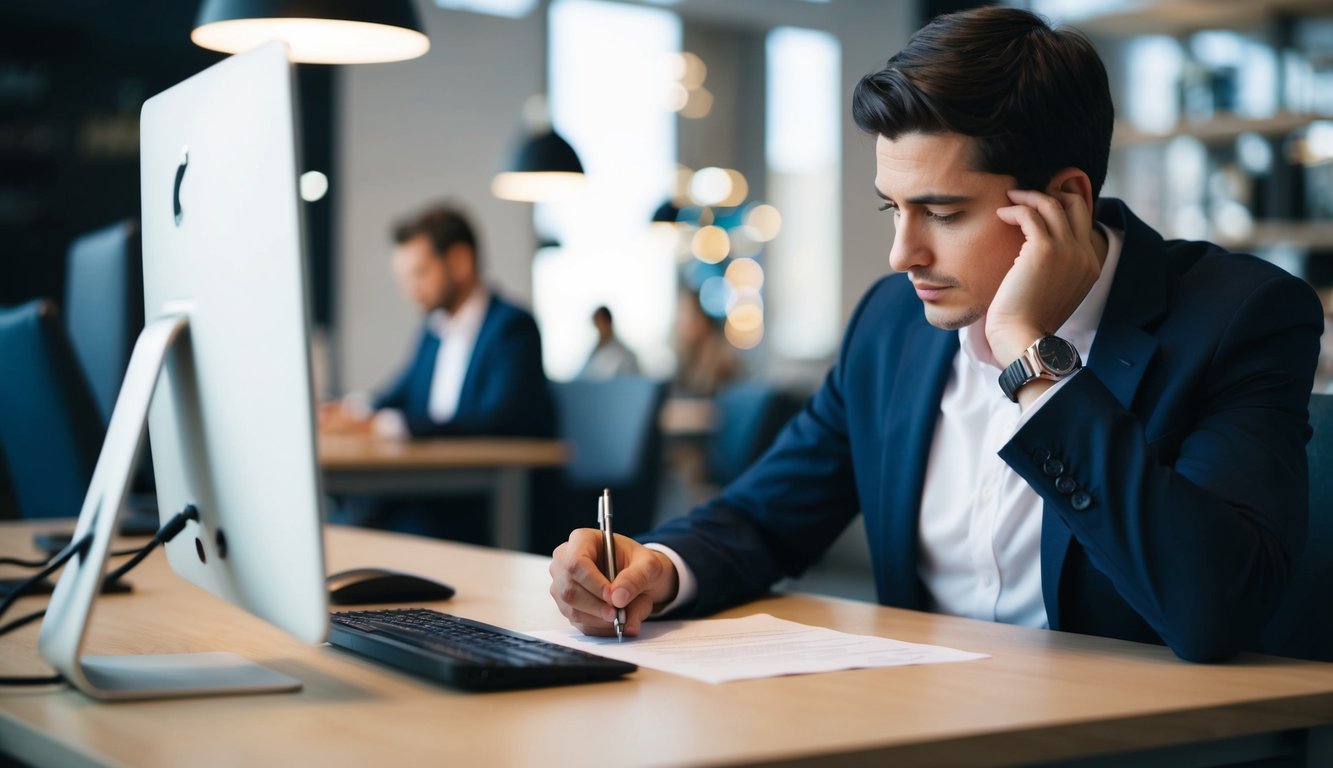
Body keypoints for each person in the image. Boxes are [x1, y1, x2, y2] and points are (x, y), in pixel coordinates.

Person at [548, 7, 1324, 663]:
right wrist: (653, 567)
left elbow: (1212, 610)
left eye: (943, 213)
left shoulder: (1240, 318)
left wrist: (1033, 354)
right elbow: (764, 516)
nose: (901, 255)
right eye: (894, 209)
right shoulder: (890, 326)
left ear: (1064, 200)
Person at [321, 203, 555, 439]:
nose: (409, 291)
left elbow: (497, 421)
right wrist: (351, 411)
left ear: (460, 262)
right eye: (403, 280)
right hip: (437, 472)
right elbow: (398, 395)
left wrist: (381, 426)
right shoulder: (433, 331)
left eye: (419, 273)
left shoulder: (512, 328)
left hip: (493, 474)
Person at [672, 288, 741, 397]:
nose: (677, 321)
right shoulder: (686, 365)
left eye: (683, 312)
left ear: (703, 320)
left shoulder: (724, 369)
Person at [577, 305, 640, 379]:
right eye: (596, 326)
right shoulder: (594, 352)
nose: (598, 330)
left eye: (600, 324)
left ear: (608, 322)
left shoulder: (626, 355)